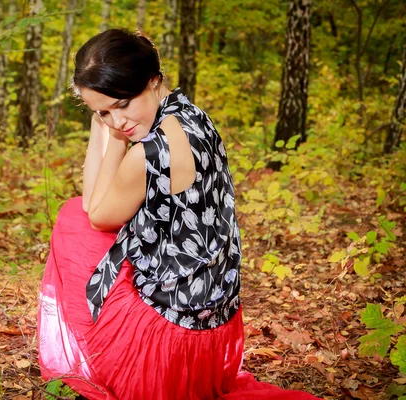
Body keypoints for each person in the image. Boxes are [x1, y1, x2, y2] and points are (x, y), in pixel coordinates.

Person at [37, 28, 319, 400]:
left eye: (122, 104)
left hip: (170, 336)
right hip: (215, 321)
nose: (116, 122)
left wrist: (114, 142)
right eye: (101, 112)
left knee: (73, 220)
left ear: (153, 81)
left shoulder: (149, 152)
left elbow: (95, 211)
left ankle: (110, 357)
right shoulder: (193, 115)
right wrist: (104, 118)